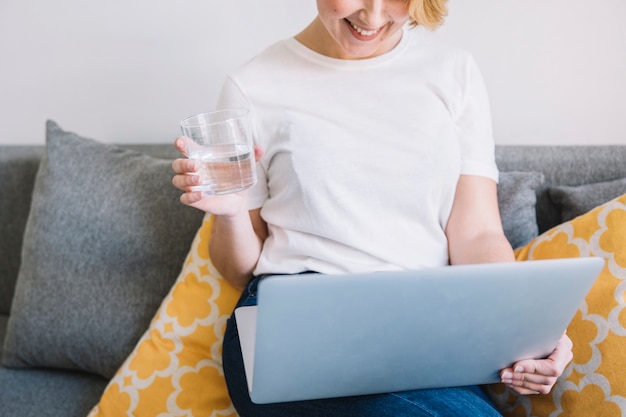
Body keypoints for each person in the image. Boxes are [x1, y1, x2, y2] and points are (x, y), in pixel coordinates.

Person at [172, 0, 574, 415]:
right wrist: (232, 212)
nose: (373, 16)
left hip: (424, 323)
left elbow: (477, 235)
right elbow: (237, 269)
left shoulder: (455, 72)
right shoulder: (252, 85)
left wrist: (524, 328)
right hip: (300, 318)